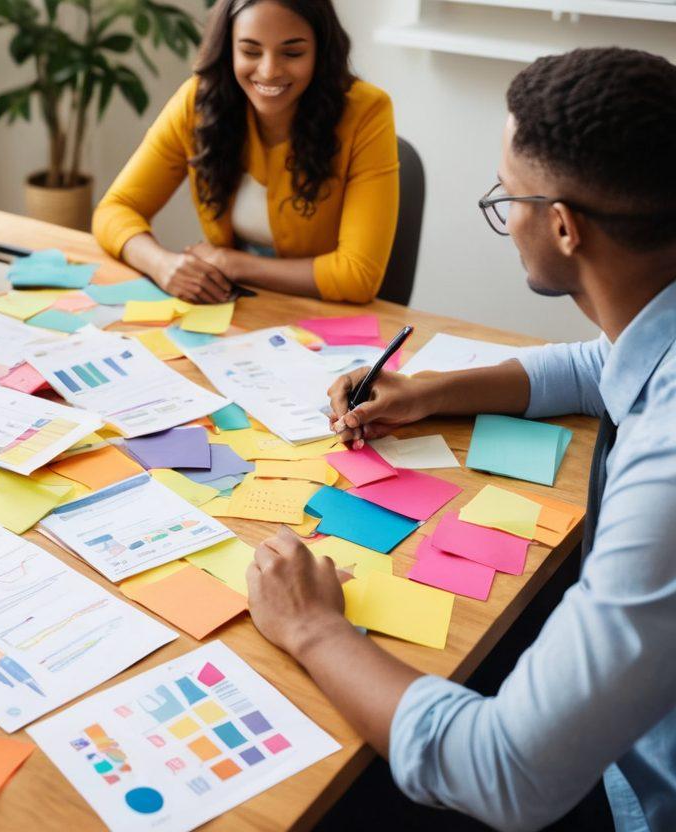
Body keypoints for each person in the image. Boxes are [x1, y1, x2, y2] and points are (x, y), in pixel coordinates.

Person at [246, 47, 676, 831]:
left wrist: (311, 625)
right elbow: (606, 362)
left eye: (506, 196)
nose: (503, 218)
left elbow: (504, 774)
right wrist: (427, 392)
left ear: (563, 226)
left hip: (638, 794)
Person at [92, 0, 399, 304]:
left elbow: (358, 276)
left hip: (322, 315)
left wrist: (231, 263)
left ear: (321, 51)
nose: (269, 71)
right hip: (233, 311)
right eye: (251, 52)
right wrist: (161, 264)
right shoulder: (198, 103)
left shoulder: (367, 112)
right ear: (228, 50)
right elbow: (115, 210)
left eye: (292, 53)